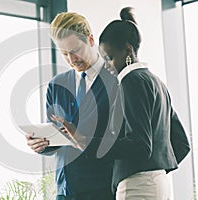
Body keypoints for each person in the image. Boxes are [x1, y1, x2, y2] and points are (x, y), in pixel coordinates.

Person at [54, 7, 191, 200]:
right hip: (158, 184)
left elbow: (140, 145)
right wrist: (154, 170)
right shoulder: (155, 81)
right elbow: (181, 143)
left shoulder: (129, 82)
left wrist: (84, 141)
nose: (107, 66)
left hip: (136, 185)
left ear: (128, 50)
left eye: (109, 58)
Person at [25, 12, 117, 199]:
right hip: (64, 191)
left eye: (75, 50)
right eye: (64, 54)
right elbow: (58, 137)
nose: (72, 59)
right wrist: (41, 144)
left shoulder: (116, 81)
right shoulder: (56, 86)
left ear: (91, 40)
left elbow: (124, 141)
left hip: (103, 190)